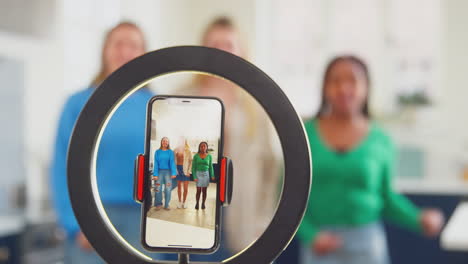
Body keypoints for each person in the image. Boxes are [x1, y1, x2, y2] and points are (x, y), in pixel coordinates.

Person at [297, 55, 444, 264]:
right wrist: (311, 235)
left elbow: (387, 199)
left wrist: (419, 219)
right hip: (319, 247)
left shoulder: (381, 140)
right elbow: (285, 197)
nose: (343, 88)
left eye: (353, 81)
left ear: (367, 87)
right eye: (335, 80)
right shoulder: (304, 135)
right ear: (324, 87)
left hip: (367, 247)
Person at [173, 17, 282, 260]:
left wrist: (262, 222)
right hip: (190, 218)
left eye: (228, 45)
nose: (221, 52)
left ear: (241, 52)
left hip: (241, 221)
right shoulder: (179, 97)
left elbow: (270, 169)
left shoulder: (257, 105)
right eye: (214, 44)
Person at [50, 21, 156, 263]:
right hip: (90, 219)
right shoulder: (77, 104)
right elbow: (60, 167)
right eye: (118, 43)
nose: (125, 51)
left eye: (134, 45)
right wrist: (75, 224)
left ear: (144, 54)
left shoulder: (157, 104)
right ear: (105, 50)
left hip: (145, 222)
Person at [152, 137, 177, 210]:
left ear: (168, 143)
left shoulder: (170, 152)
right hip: (159, 172)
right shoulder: (157, 152)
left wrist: (173, 173)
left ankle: (167, 205)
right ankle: (158, 204)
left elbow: (172, 162)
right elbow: (156, 163)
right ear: (161, 142)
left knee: (168, 189)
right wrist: (155, 174)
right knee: (158, 188)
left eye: (166, 141)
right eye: (164, 141)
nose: (165, 142)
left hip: (168, 173)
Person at [191, 142, 215, 210]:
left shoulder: (209, 156)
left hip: (206, 174)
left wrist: (212, 175)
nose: (203, 147)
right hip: (198, 174)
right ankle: (197, 203)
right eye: (201, 146)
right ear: (199, 147)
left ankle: (203, 203)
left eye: (204, 146)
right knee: (198, 190)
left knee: (204, 191)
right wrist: (194, 176)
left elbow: (211, 167)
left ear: (206, 147)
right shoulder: (196, 156)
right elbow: (193, 167)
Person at [174, 139, 192, 209]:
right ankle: (179, 201)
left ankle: (184, 202)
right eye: (180, 140)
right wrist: (174, 171)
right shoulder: (175, 150)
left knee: (185, 188)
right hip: (178, 169)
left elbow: (191, 162)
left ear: (185, 142)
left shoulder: (188, 151)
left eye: (183, 140)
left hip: (185, 170)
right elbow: (173, 161)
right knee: (179, 187)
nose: (181, 142)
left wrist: (189, 171)